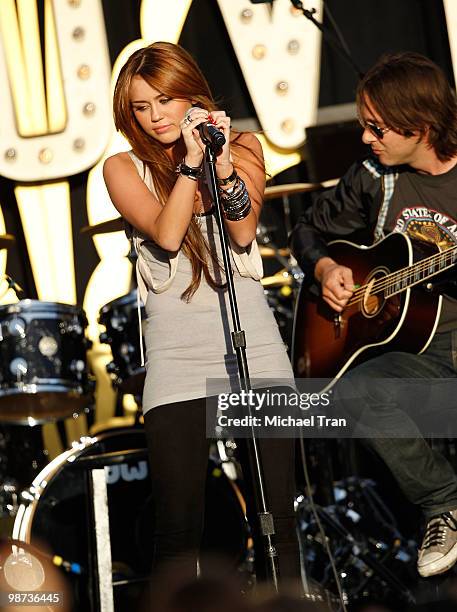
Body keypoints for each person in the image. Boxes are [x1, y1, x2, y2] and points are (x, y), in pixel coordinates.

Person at [103, 42, 300, 598]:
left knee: (276, 520)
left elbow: (241, 232)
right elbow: (167, 234)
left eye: (165, 99)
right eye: (141, 107)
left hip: (252, 344)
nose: (155, 116)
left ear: (191, 93)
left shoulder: (242, 147)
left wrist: (221, 163)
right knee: (179, 528)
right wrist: (191, 164)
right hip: (176, 355)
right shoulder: (123, 168)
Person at [290, 51, 457, 579]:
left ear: (421, 126)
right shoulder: (372, 177)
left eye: (377, 128)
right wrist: (325, 270)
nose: (367, 139)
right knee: (356, 388)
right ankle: (444, 504)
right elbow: (307, 231)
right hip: (418, 358)